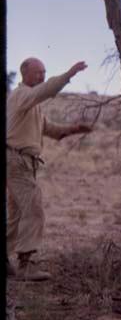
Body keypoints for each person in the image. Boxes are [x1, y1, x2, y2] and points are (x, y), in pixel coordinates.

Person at [6, 58, 93, 281]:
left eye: (44, 72)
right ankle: (26, 265)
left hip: (23, 162)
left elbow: (52, 130)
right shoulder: (21, 96)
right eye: (38, 73)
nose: (42, 76)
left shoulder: (31, 106)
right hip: (17, 161)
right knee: (33, 206)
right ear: (24, 73)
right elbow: (46, 90)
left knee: (16, 214)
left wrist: (75, 129)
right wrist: (69, 74)